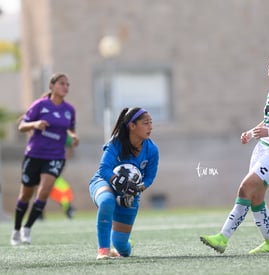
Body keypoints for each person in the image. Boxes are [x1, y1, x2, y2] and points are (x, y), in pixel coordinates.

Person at [200, 48, 269, 254]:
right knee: (255, 198)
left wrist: (268, 131)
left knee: (245, 187)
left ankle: (222, 238)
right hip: (263, 149)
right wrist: (253, 133)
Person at [10, 73, 79, 245]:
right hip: (34, 155)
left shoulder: (69, 110)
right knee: (26, 194)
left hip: (55, 156)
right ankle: (16, 229)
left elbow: (70, 129)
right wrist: (35, 124)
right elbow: (21, 126)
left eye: (68, 84)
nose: (66, 87)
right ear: (52, 86)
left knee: (44, 191)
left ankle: (28, 228)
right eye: (62, 83)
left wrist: (73, 137)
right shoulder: (40, 105)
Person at [89, 107, 159, 260]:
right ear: (132, 126)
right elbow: (104, 169)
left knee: (122, 248)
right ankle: (103, 250)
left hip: (130, 194)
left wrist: (136, 189)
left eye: (151, 123)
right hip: (103, 182)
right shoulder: (116, 143)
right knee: (107, 201)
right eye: (146, 123)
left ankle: (123, 245)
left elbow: (149, 177)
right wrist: (118, 181)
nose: (150, 127)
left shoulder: (152, 149)